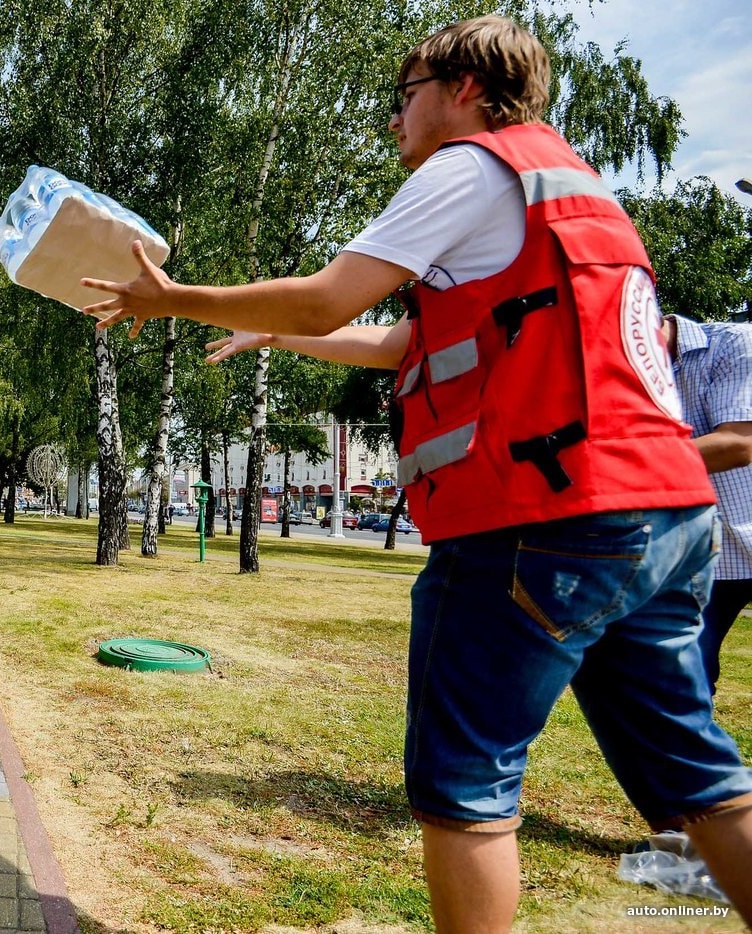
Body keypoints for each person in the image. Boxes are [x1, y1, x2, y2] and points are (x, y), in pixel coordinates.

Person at [82, 16, 752, 929]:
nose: (394, 118)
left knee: (466, 780)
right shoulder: (569, 187)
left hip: (542, 519)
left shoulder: (468, 167)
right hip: (665, 512)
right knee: (699, 775)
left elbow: (330, 293)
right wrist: (275, 333)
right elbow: (407, 337)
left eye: (404, 95)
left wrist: (171, 300)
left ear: (464, 88)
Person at [665, 313, 752, 694]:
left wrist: (619, 461)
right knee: (685, 681)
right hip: (705, 553)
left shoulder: (733, 343)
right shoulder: (618, 375)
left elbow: (737, 443)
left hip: (740, 526)